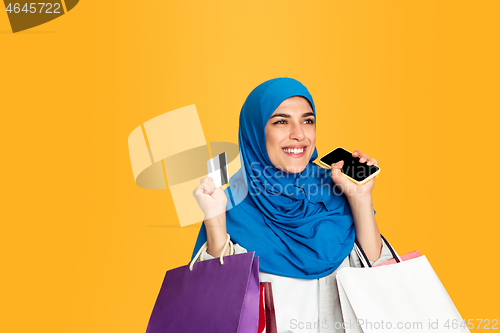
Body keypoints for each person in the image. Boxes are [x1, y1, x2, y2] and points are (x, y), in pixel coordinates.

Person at [191, 77, 394, 333]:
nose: (299, 134)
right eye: (281, 122)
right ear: (256, 131)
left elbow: (380, 282)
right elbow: (216, 310)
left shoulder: (338, 189)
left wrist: (361, 198)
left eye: (307, 121)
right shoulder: (230, 204)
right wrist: (215, 220)